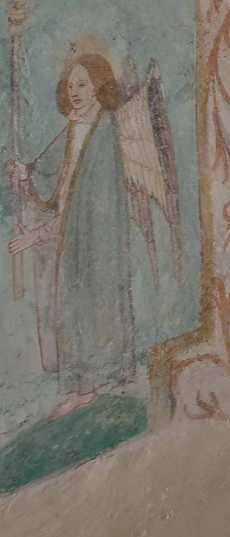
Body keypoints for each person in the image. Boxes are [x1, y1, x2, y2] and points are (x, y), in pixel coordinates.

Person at [4, 54, 157, 418]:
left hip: (95, 239)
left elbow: (85, 206)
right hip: (77, 239)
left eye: (83, 84)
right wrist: (25, 172)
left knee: (89, 308)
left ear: (99, 86)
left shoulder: (104, 132)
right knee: (77, 307)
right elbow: (54, 172)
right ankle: (87, 384)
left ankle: (87, 388)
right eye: (70, 85)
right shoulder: (76, 125)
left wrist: (36, 236)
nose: (74, 91)